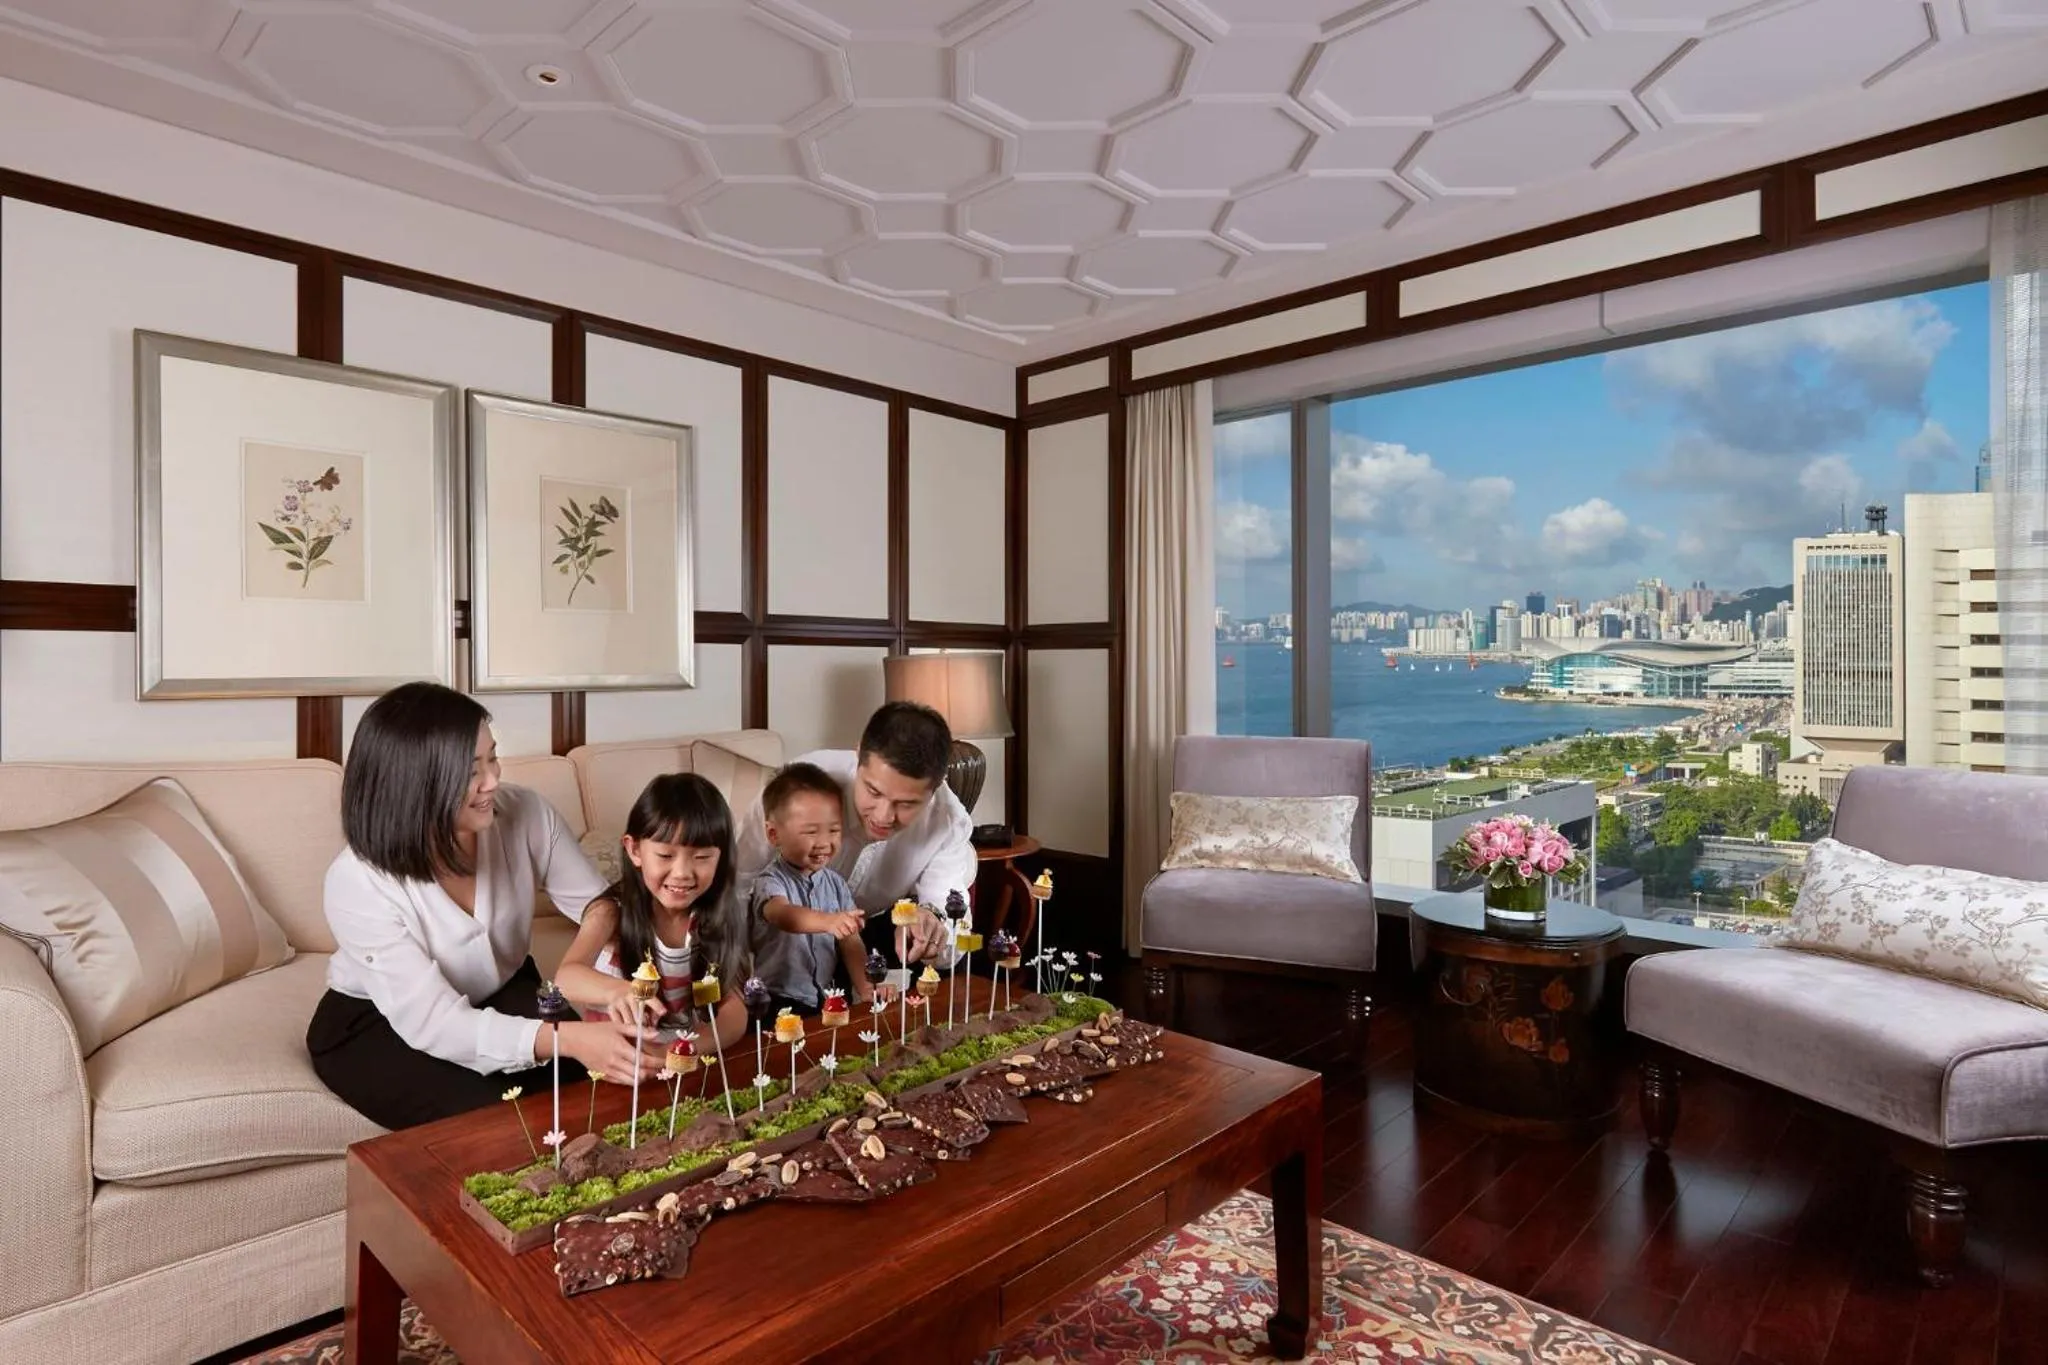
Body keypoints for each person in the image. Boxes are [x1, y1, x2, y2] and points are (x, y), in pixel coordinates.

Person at [307, 683, 661, 1131]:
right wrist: (568, 1036)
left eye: (492, 758)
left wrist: (594, 977)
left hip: (503, 989)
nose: (493, 780)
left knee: (591, 1093)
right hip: (376, 1025)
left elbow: (599, 904)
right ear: (415, 783)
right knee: (504, 1124)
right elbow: (435, 1023)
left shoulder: (526, 814)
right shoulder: (356, 881)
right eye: (471, 770)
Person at [734, 701, 975, 969]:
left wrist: (932, 924)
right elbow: (737, 882)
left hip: (870, 938)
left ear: (938, 782)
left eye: (906, 804)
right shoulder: (798, 786)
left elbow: (954, 929)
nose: (883, 817)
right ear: (858, 754)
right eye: (873, 792)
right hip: (779, 941)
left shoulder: (948, 821)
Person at [554, 773, 749, 1049]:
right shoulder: (610, 912)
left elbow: (733, 1008)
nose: (682, 873)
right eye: (666, 856)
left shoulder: (717, 916)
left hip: (686, 1059)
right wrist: (619, 991)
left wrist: (688, 1051)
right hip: (617, 1060)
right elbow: (566, 978)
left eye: (702, 857)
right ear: (634, 850)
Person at [750, 761, 871, 1013]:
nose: (824, 843)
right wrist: (829, 922)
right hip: (777, 999)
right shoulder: (770, 880)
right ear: (774, 835)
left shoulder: (836, 884)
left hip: (825, 997)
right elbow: (783, 915)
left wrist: (866, 987)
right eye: (810, 832)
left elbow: (851, 943)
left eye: (834, 830)